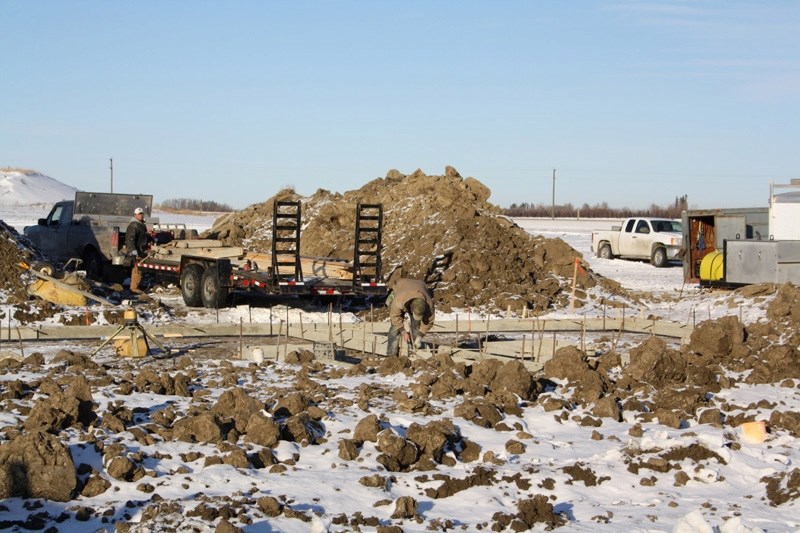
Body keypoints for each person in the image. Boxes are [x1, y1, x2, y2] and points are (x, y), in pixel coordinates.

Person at [386, 278, 434, 356]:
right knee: (395, 328)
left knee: (416, 325)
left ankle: (413, 350)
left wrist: (420, 336)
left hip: (419, 287)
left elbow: (429, 321)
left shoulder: (429, 304)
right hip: (401, 288)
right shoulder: (398, 300)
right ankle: (391, 355)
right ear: (411, 307)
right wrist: (403, 331)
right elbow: (394, 317)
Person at [126, 207, 149, 293]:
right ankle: (134, 288)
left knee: (140, 270)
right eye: (139, 214)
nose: (141, 215)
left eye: (142, 214)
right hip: (137, 251)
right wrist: (133, 250)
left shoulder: (141, 224)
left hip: (141, 250)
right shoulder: (134, 225)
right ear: (135, 215)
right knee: (137, 269)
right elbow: (130, 238)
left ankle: (137, 286)